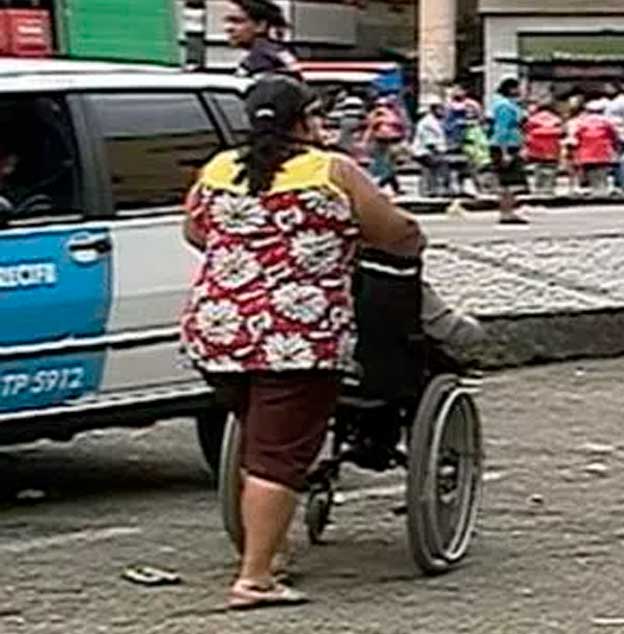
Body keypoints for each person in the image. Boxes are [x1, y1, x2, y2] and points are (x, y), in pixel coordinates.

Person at [179, 75, 424, 609]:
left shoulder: (219, 169)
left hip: (218, 334)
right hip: (296, 339)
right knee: (278, 456)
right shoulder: (331, 171)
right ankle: (256, 577)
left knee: (262, 437)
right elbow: (396, 234)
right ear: (303, 122)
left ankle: (267, 547)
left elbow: (196, 232)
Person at [223, 0, 300, 79]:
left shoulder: (261, 59)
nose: (227, 28)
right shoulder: (279, 52)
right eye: (226, 21)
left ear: (260, 26)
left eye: (237, 21)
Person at [489, 78, 530, 224]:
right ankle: (506, 212)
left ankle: (510, 210)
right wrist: (504, 151)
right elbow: (502, 129)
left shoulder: (512, 105)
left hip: (512, 144)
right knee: (507, 182)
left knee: (512, 183)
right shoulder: (505, 107)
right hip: (505, 146)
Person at [572, 99, 619, 196]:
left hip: (586, 151)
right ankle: (602, 189)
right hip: (602, 150)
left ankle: (592, 188)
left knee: (590, 170)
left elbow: (577, 136)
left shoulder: (582, 122)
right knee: (602, 170)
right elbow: (613, 135)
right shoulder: (606, 122)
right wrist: (614, 147)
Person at [363, 97, 406, 196]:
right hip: (380, 141)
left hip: (392, 141)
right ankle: (384, 184)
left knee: (388, 164)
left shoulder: (394, 115)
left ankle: (387, 184)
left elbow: (401, 127)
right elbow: (370, 128)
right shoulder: (377, 115)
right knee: (382, 164)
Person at [523, 100, 564, 196]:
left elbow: (526, 130)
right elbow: (562, 132)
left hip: (537, 146)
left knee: (539, 166)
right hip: (553, 146)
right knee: (551, 167)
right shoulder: (556, 119)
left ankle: (539, 187)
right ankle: (549, 187)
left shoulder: (533, 119)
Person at [411, 96, 449, 197]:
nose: (443, 112)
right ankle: (434, 188)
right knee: (441, 164)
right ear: (434, 109)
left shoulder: (435, 121)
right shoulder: (428, 123)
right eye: (441, 109)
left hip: (429, 150)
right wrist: (440, 153)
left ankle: (431, 188)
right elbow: (430, 142)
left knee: (432, 168)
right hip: (423, 151)